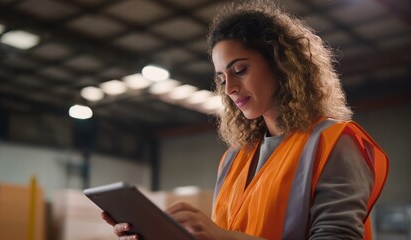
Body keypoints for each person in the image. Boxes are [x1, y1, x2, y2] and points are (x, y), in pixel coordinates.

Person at [101, 0, 389, 239]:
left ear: (280, 64)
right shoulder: (233, 159)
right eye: (221, 78)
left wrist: (222, 237)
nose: (229, 89)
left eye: (239, 70)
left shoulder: (334, 142)